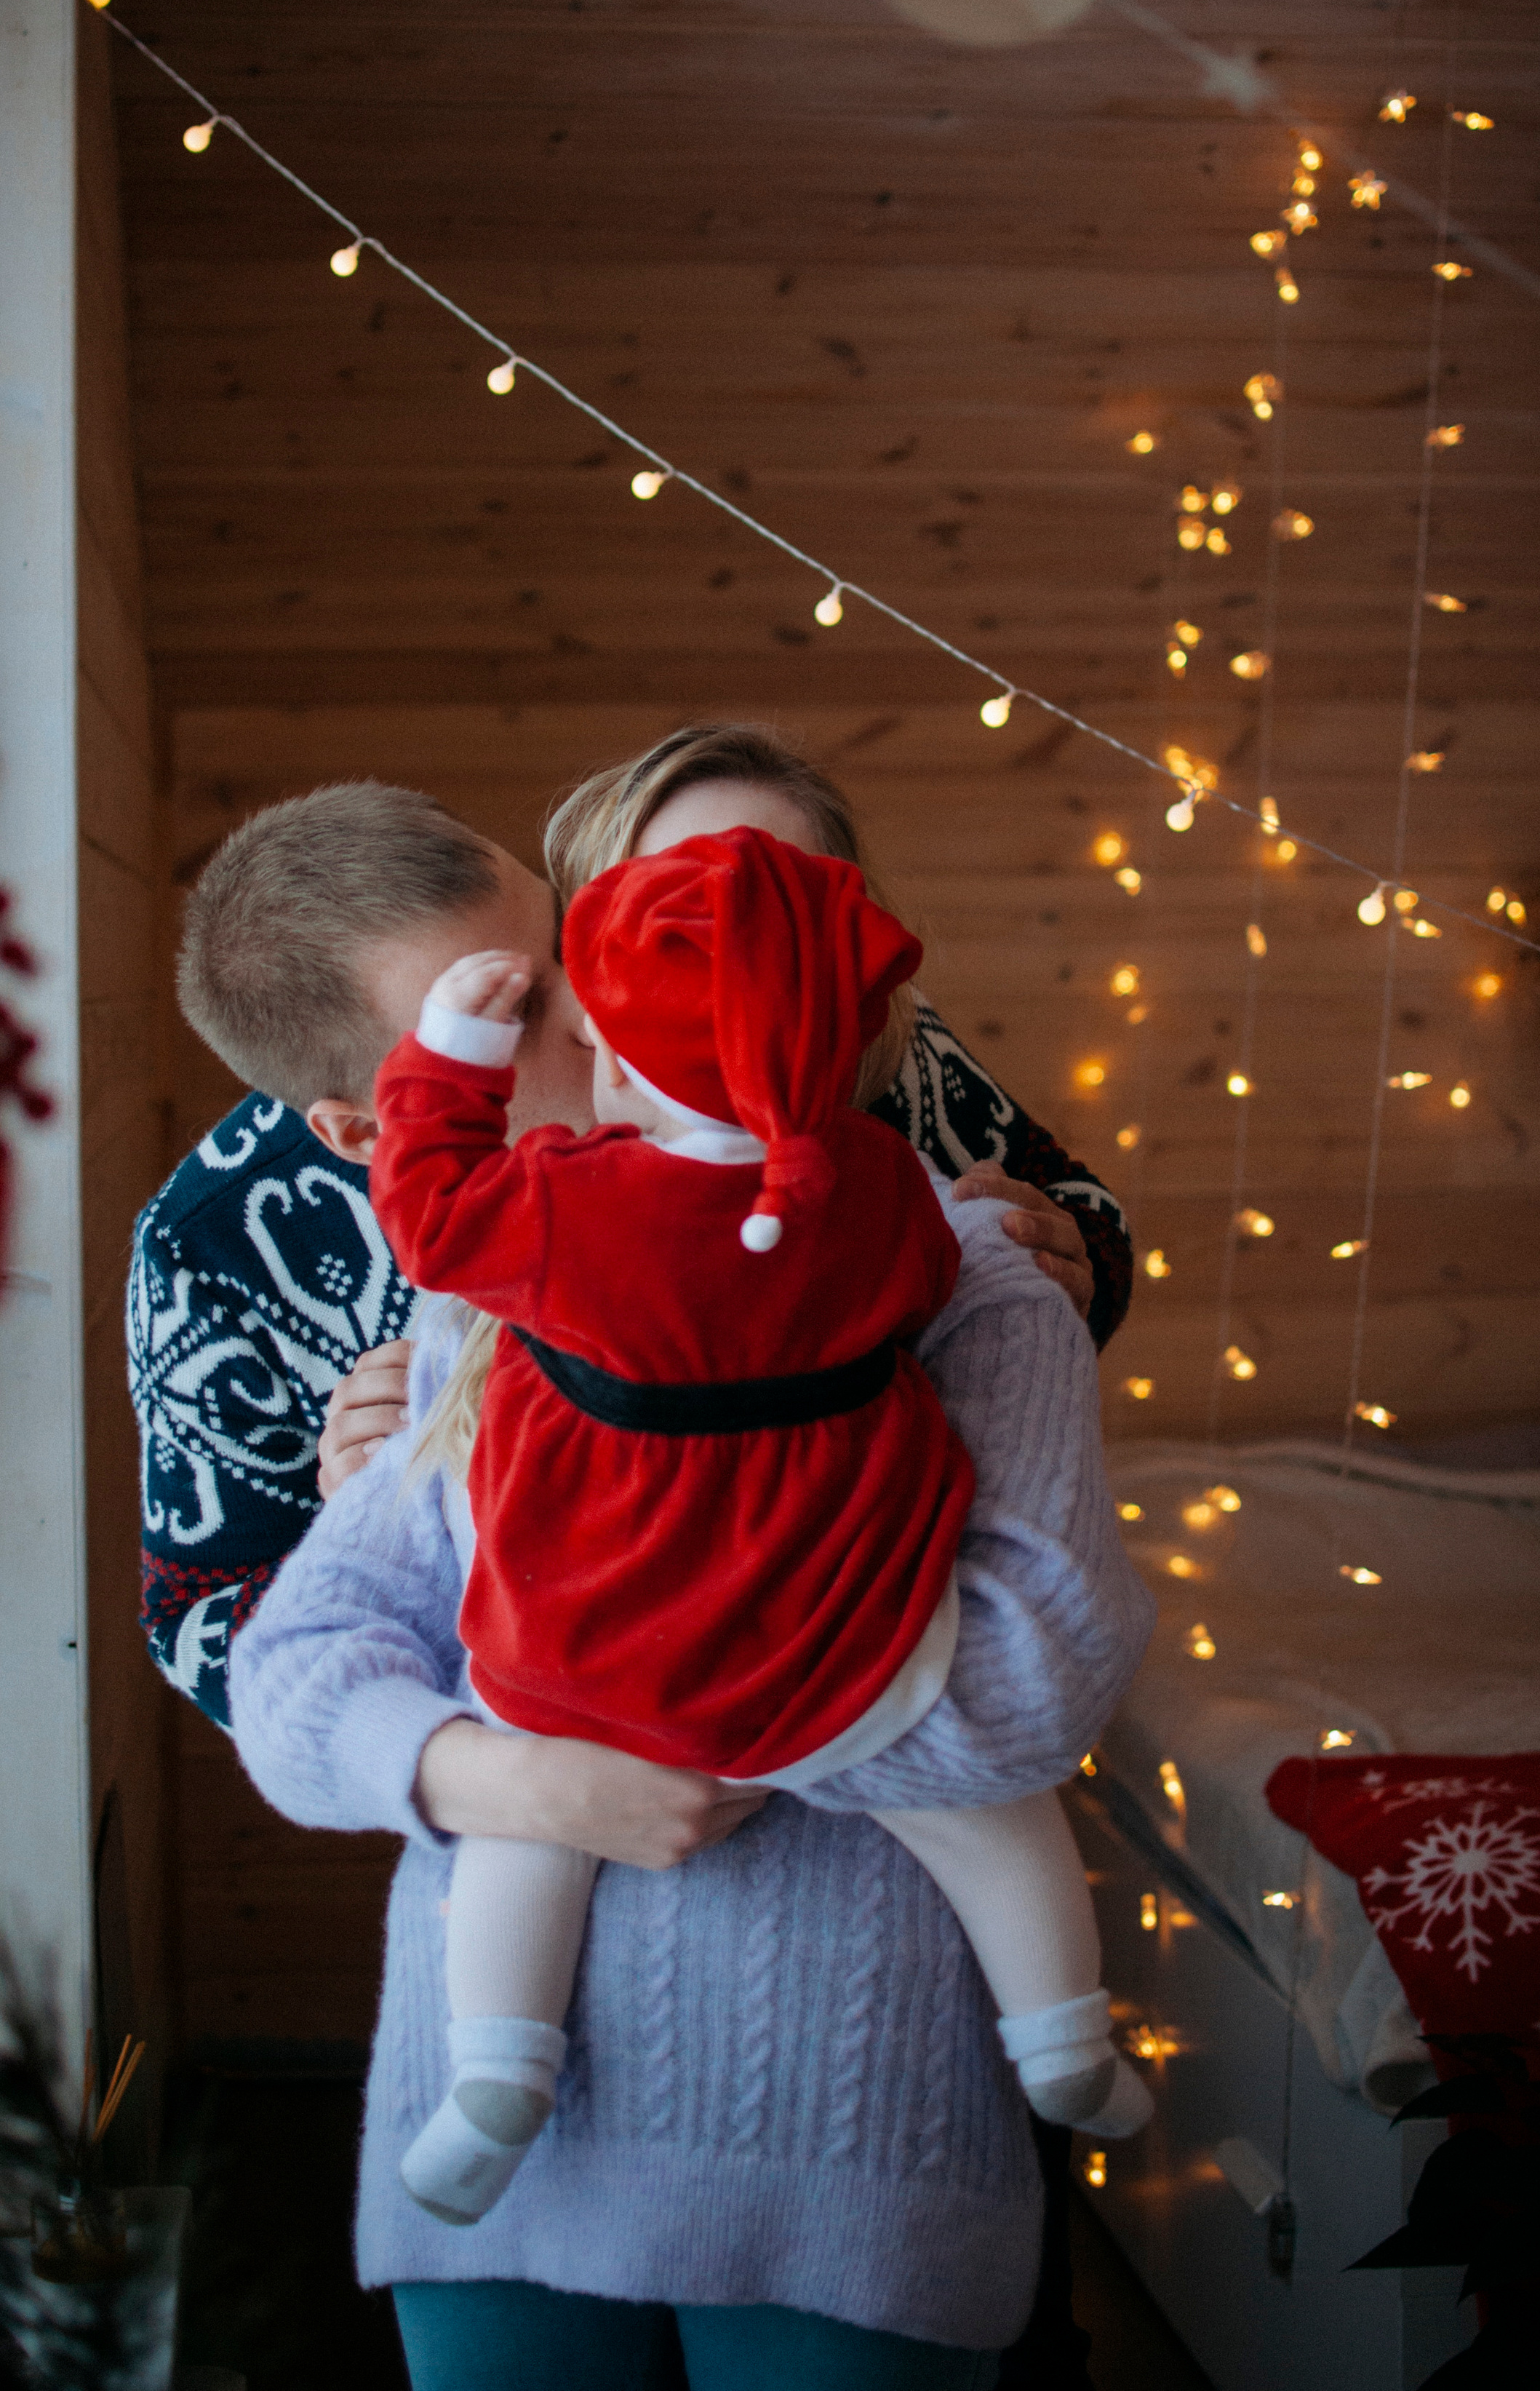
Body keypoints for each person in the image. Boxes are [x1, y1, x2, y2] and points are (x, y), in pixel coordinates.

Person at [368, 826, 1154, 2231]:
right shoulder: (885, 1191)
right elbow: (912, 1285)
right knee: (989, 1815)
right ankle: (1068, 2039)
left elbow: (429, 1223)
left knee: (525, 1836)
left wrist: (444, 1061)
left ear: (612, 1060)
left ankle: (494, 2074)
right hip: (839, 1641)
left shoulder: (562, 1207)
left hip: (602, 1652)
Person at [129, 733, 1133, 1729]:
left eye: (565, 936)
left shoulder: (783, 1032)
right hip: (549, 1761)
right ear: (365, 1129)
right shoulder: (210, 1254)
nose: (592, 1010)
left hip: (871, 1679)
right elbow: (200, 1623)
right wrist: (367, 1518)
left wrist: (1064, 1260)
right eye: (505, 1014)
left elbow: (1083, 1223)